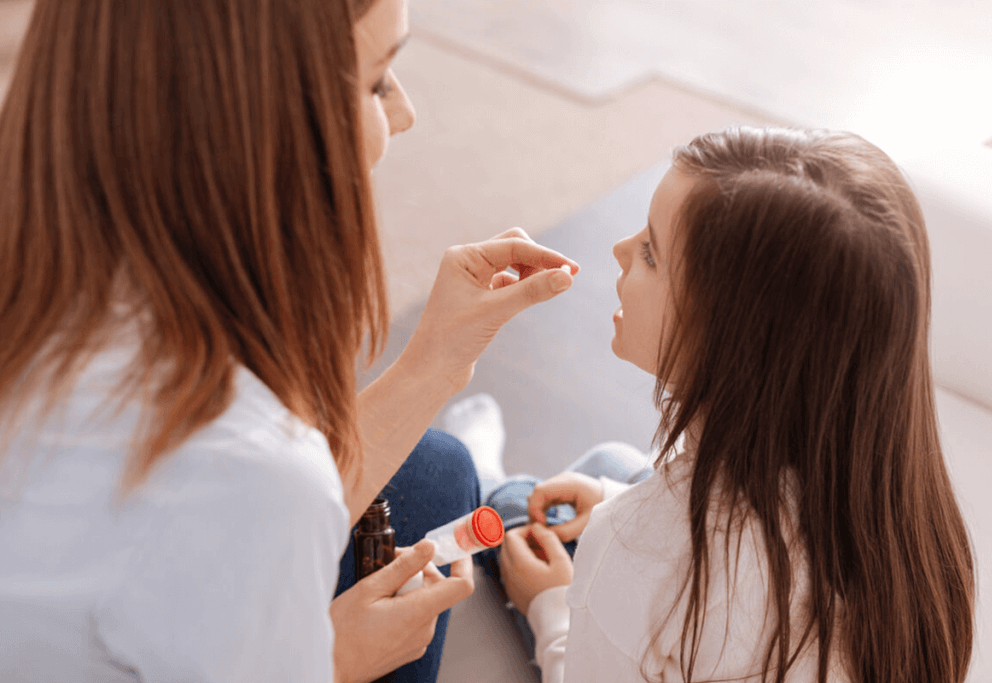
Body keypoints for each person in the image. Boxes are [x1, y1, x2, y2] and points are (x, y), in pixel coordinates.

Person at [0, 1, 578, 682]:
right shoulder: (253, 476)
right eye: (375, 82)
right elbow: (238, 490)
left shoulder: (53, 286)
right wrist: (331, 662)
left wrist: (437, 362)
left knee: (437, 466)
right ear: (262, 130)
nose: (403, 114)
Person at [452, 127, 977, 683]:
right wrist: (614, 498)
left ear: (734, 341)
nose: (620, 249)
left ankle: (483, 484)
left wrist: (552, 606)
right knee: (609, 466)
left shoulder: (633, 552)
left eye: (651, 253)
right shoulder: (910, 527)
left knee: (515, 510)